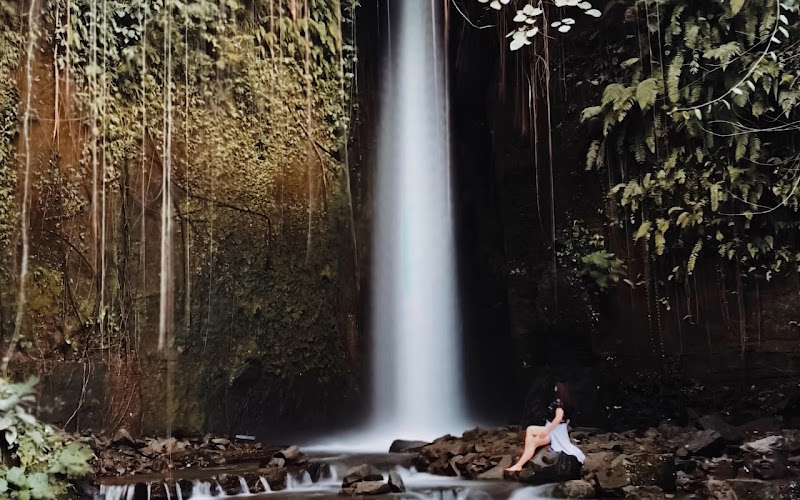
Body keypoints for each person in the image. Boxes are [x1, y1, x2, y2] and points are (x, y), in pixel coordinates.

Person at [505, 382, 585, 472]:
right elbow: (567, 420)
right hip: (557, 429)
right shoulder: (567, 402)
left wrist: (547, 431)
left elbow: (558, 418)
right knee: (530, 430)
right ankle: (524, 457)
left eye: (556, 388)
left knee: (532, 442)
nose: (554, 389)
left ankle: (519, 464)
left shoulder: (559, 403)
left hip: (555, 431)